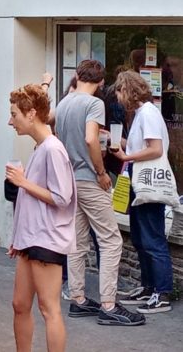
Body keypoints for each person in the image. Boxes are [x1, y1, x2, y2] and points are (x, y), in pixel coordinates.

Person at [55, 60, 144, 325]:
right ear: (101, 81)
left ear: (77, 75)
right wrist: (102, 171)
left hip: (71, 180)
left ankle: (78, 298)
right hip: (90, 179)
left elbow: (59, 137)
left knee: (77, 242)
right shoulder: (94, 104)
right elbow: (91, 138)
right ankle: (108, 304)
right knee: (111, 241)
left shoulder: (64, 103)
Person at [6, 84, 77, 351]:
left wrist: (23, 182)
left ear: (31, 113)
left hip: (46, 237)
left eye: (14, 114)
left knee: (49, 308)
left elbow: (62, 197)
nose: (11, 121)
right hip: (33, 237)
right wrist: (19, 238)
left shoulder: (52, 149)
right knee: (20, 304)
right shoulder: (43, 147)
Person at [110, 71, 174, 314]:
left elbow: (155, 149)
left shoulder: (147, 113)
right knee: (140, 237)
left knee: (152, 238)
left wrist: (126, 157)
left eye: (119, 91)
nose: (117, 97)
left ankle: (162, 292)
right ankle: (149, 287)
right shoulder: (141, 113)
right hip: (139, 182)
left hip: (148, 182)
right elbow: (141, 146)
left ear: (128, 90)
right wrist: (119, 142)